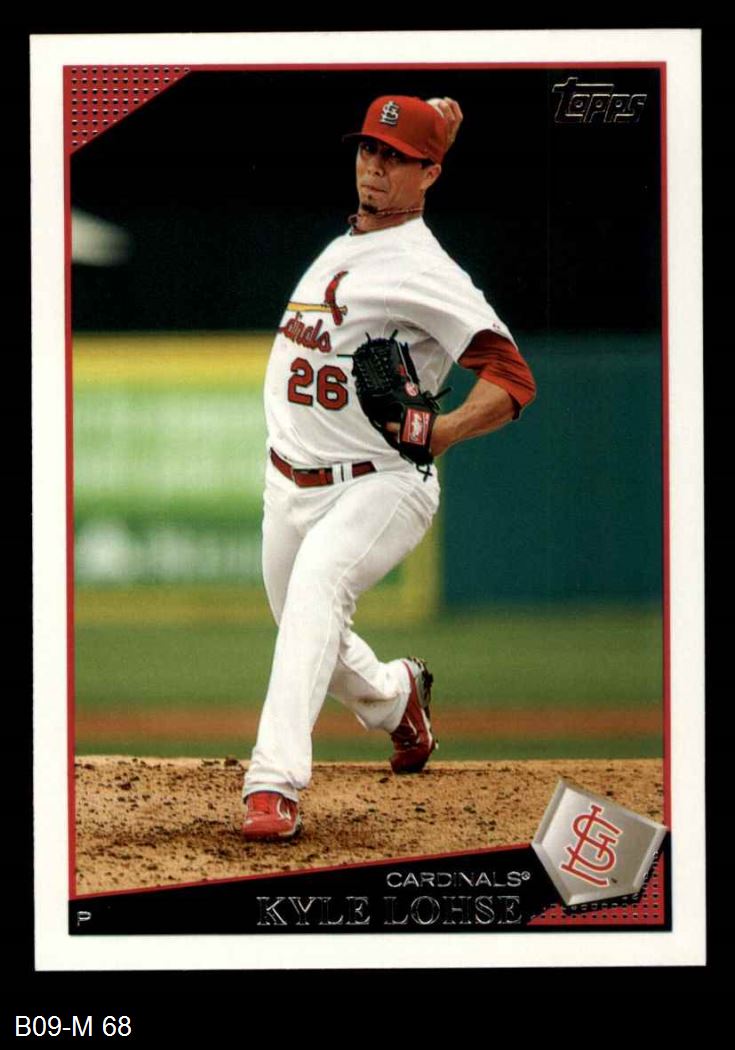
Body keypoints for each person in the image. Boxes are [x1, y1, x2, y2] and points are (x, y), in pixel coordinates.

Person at [241, 95, 536, 840]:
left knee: (316, 592)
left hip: (379, 481)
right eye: (369, 149)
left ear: (429, 174)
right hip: (289, 483)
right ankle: (397, 696)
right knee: (308, 628)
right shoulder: (353, 240)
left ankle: (272, 784)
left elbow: (512, 379)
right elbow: (408, 149)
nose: (374, 166)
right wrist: (427, 131)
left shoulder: (422, 269)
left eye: (396, 158)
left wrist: (444, 431)